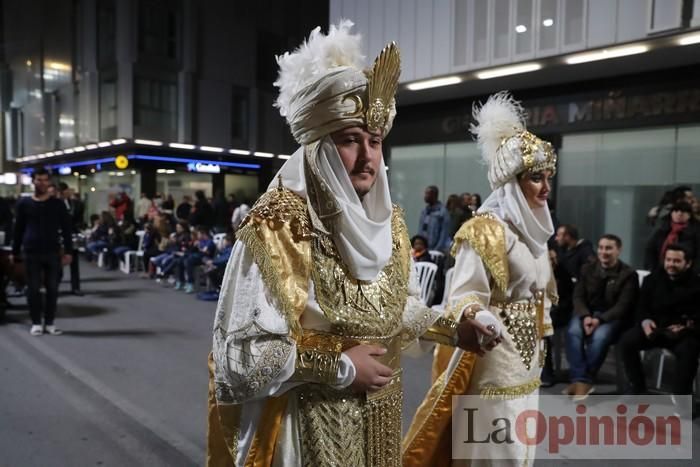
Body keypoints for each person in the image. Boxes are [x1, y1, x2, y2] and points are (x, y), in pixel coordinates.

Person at [206, 21, 493, 467]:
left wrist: (454, 327)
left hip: (379, 415)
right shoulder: (280, 224)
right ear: (317, 146)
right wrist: (339, 367)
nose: (367, 158)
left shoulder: (389, 224)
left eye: (374, 142)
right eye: (349, 140)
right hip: (307, 424)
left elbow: (395, 310)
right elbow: (242, 358)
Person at [404, 92, 558, 466]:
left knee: (520, 449)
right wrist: (478, 314)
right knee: (494, 449)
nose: (545, 188)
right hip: (493, 361)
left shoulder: (535, 236)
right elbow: (461, 296)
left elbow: (541, 298)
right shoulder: (485, 232)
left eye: (548, 177)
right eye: (536, 178)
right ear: (513, 182)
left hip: (530, 362)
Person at [564, 234, 638, 400]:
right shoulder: (587, 268)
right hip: (587, 313)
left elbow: (623, 306)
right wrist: (585, 316)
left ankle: (581, 381)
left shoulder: (628, 274)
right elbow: (578, 296)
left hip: (611, 316)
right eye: (601, 247)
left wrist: (600, 320)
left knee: (600, 337)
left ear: (618, 250)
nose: (604, 252)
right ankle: (581, 380)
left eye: (609, 248)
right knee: (573, 332)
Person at [619, 244, 700, 396]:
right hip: (655, 328)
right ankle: (637, 386)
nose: (671, 264)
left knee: (689, 352)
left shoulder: (697, 284)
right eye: (668, 260)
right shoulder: (652, 279)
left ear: (688, 263)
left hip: (683, 333)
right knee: (626, 342)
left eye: (676, 261)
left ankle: (681, 400)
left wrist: (688, 326)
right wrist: (645, 322)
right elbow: (641, 307)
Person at [11, 168, 72, 336]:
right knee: (33, 288)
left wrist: (68, 251)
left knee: (53, 288)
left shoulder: (57, 204)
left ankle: (50, 322)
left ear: (49, 182)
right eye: (39, 180)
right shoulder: (24, 204)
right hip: (31, 251)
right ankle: (36, 322)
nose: (42, 183)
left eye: (45, 180)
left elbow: (67, 229)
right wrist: (14, 251)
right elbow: (18, 229)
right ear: (33, 181)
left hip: (53, 252)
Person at [644, 201, 700, 273]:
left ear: (689, 215)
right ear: (671, 213)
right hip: (660, 272)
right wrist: (652, 269)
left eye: (683, 212)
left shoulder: (696, 232)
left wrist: (694, 272)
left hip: (686, 274)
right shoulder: (661, 230)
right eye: (676, 211)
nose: (679, 214)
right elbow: (650, 250)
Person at [175, 226, 216, 293]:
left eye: (199, 234)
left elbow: (206, 252)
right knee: (181, 260)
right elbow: (193, 251)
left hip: (204, 258)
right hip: (196, 257)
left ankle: (190, 283)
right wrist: (194, 246)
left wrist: (199, 246)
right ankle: (181, 280)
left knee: (189, 259)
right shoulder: (200, 241)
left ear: (203, 234)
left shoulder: (210, 242)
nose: (198, 235)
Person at [417, 185, 452, 252]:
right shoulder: (424, 211)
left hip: (435, 250)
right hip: (422, 249)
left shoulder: (442, 212)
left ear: (434, 195)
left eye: (427, 194)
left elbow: (444, 234)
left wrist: (437, 249)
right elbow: (420, 230)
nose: (425, 196)